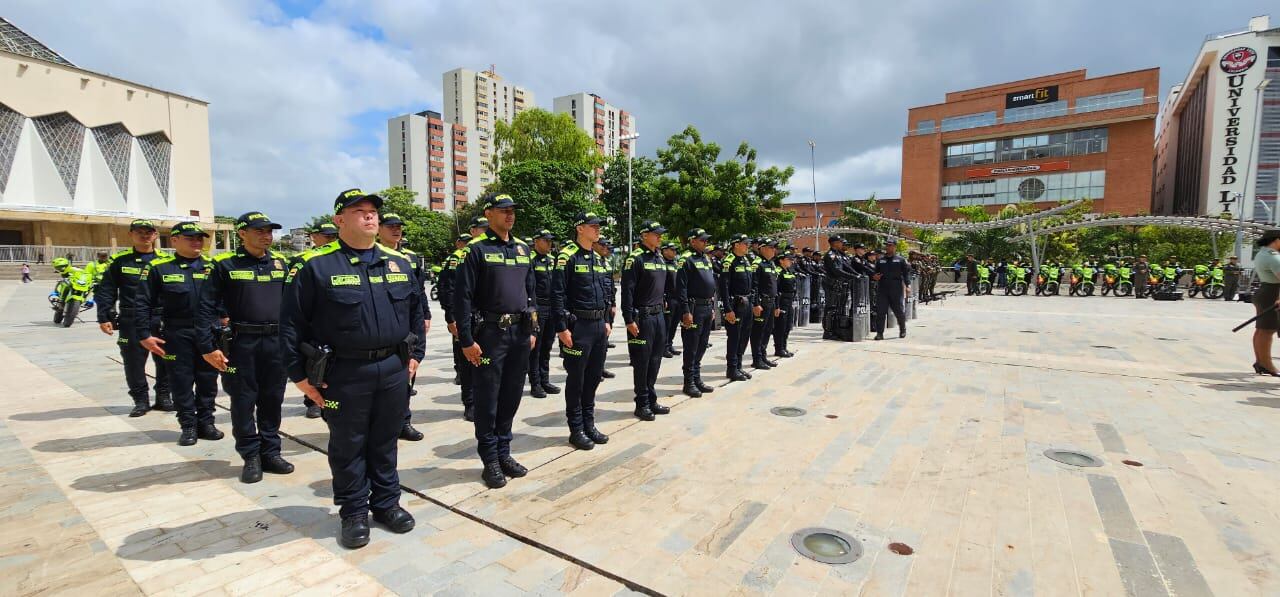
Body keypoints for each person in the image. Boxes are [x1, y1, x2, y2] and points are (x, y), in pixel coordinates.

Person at [282, 188, 424, 548]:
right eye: (359, 211)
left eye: (373, 211)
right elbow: (290, 325)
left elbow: (414, 313)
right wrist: (300, 378)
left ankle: (386, 504)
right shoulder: (315, 266)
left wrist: (414, 355)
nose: (370, 216)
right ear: (339, 220)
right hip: (344, 373)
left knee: (385, 441)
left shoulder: (399, 262)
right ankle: (353, 511)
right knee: (348, 445)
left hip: (392, 368)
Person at [197, 211, 292, 484]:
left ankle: (271, 452)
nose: (267, 235)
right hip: (241, 344)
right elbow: (205, 309)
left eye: (269, 231)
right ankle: (251, 456)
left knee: (273, 400)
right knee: (242, 401)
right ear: (241, 233)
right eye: (260, 230)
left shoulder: (281, 263)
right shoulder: (224, 265)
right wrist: (207, 346)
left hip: (275, 343)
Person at [453, 194, 537, 489]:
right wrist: (466, 340)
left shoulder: (523, 247)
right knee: (488, 398)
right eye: (503, 211)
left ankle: (504, 452)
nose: (510, 215)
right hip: (489, 334)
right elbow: (461, 298)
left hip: (518, 334)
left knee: (512, 395)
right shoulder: (476, 250)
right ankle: (489, 460)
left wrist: (533, 329)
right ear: (488, 214)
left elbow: (531, 292)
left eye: (512, 210)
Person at [135, 222, 224, 446]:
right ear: (174, 240)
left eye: (199, 238)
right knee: (181, 381)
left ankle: (207, 422)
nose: (196, 242)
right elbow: (143, 302)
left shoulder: (214, 266)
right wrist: (144, 334)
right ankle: (188, 426)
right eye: (190, 238)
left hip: (209, 332)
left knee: (208, 380)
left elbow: (226, 298)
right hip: (176, 333)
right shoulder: (159, 268)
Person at [95, 219, 172, 417]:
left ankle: (164, 396)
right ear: (131, 234)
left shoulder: (166, 261)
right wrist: (104, 316)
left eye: (149, 232)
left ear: (155, 235)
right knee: (133, 362)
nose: (145, 235)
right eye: (140, 232)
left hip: (162, 317)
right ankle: (141, 400)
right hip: (131, 318)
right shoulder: (120, 261)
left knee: (167, 360)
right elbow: (106, 290)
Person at [551, 212, 613, 450]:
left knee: (594, 377)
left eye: (598, 226)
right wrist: (561, 329)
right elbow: (557, 295)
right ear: (579, 229)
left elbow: (605, 292)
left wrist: (607, 319)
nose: (597, 229)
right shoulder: (567, 257)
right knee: (576, 379)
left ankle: (589, 424)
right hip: (578, 328)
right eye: (593, 226)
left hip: (598, 327)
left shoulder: (597, 258)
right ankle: (576, 429)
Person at [377, 212, 431, 442]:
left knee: (408, 373)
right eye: (390, 226)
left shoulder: (409, 258)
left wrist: (426, 314)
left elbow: (419, 292)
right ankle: (386, 422)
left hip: (408, 325)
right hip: (385, 327)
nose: (396, 230)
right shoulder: (373, 256)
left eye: (398, 226)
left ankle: (404, 420)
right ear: (379, 229)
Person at [441, 217, 491, 421]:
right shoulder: (458, 256)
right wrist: (451, 317)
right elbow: (448, 289)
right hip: (466, 316)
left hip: (486, 318)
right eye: (482, 229)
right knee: (467, 362)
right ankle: (469, 402)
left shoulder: (489, 252)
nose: (486, 231)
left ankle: (484, 400)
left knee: (485, 361)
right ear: (473, 231)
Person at [622, 221, 672, 421]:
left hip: (659, 315)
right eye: (656, 234)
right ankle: (641, 403)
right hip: (642, 317)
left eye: (661, 233)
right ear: (644, 235)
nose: (660, 237)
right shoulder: (635, 258)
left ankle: (651, 398)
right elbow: (627, 291)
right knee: (642, 362)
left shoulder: (659, 256)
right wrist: (629, 319)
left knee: (655, 359)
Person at [290, 221, 339, 419]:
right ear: (314, 236)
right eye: (326, 236)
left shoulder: (337, 260)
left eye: (333, 236)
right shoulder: (301, 260)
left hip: (330, 320)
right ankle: (312, 401)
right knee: (313, 363)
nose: (330, 240)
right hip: (309, 321)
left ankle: (327, 398)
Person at [675, 228, 718, 397]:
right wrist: (685, 311)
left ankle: (697, 378)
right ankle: (689, 382)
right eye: (702, 240)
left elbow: (711, 284)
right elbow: (681, 288)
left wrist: (712, 307)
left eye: (706, 240)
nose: (705, 242)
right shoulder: (686, 259)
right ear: (692, 241)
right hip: (694, 309)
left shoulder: (706, 258)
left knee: (702, 344)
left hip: (707, 307)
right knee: (691, 346)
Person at [528, 229, 559, 399]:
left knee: (547, 346)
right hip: (537, 309)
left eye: (550, 241)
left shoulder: (552, 260)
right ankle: (535, 383)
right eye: (546, 241)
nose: (549, 244)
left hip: (551, 308)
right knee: (536, 348)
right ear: (537, 241)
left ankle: (545, 380)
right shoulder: (530, 260)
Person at [720, 233, 755, 381]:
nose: (747, 246)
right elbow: (724, 287)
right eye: (745, 243)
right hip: (736, 304)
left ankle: (739, 366)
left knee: (744, 336)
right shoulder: (729, 261)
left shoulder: (746, 260)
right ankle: (732, 369)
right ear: (736, 245)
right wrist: (728, 309)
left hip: (747, 303)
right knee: (734, 337)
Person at [749, 238, 781, 370]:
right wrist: (756, 303)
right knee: (758, 332)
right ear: (762, 248)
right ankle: (757, 359)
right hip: (762, 302)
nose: (774, 250)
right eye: (771, 247)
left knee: (767, 331)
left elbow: (775, 287)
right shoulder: (757, 264)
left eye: (774, 248)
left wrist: (777, 305)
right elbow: (754, 286)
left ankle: (763, 356)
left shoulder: (771, 264)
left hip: (771, 302)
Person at [1251, 230, 1280, 376]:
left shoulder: (1262, 253)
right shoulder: (1275, 258)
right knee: (1267, 331)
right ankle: (1267, 365)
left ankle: (1260, 362)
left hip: (1265, 291)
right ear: (1276, 240)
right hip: (1272, 293)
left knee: (1261, 329)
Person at [872, 242, 912, 340]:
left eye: (890, 246)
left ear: (894, 247)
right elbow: (875, 273)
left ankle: (903, 329)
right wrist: (875, 277)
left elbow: (906, 274)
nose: (888, 247)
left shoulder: (901, 260)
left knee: (898, 311)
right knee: (881, 312)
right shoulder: (880, 260)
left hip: (896, 288)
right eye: (887, 245)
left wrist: (908, 285)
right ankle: (879, 333)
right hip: (883, 288)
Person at [594, 238, 619, 380]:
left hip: (608, 305)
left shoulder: (606, 262)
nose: (606, 248)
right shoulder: (593, 261)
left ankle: (600, 367)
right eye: (602, 245)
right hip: (598, 306)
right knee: (597, 340)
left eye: (607, 245)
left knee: (604, 340)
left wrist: (614, 303)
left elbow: (611, 286)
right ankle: (593, 369)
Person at [773, 251, 798, 358]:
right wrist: (777, 305)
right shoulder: (778, 272)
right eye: (788, 259)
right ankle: (779, 348)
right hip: (782, 301)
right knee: (780, 326)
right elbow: (776, 290)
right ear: (781, 260)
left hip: (789, 300)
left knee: (787, 326)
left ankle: (784, 346)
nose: (791, 261)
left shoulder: (789, 271)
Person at [660, 242, 681, 359]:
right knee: (667, 324)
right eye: (672, 250)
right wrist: (663, 297)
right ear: (665, 250)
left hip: (677, 298)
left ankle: (669, 344)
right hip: (668, 298)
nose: (674, 252)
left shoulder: (675, 263)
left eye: (675, 250)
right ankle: (663, 347)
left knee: (674, 324)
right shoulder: (662, 262)